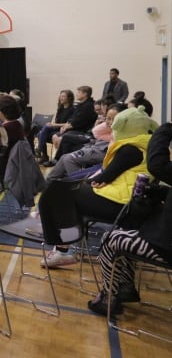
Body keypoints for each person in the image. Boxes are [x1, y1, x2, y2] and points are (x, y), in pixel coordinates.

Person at [42, 106, 158, 268]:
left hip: (122, 204)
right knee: (68, 192)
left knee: (60, 194)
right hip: (130, 201)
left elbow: (104, 177)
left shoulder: (130, 149)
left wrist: (84, 183)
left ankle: (63, 250)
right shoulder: (146, 144)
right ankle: (65, 244)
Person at [86, 118, 172, 316]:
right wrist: (158, 192)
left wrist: (166, 129)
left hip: (166, 245)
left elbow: (157, 165)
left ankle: (108, 297)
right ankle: (125, 287)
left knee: (110, 240)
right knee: (127, 230)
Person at [36, 90, 75, 163]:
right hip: (56, 129)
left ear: (69, 98)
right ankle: (44, 155)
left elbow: (68, 124)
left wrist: (54, 124)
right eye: (60, 96)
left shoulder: (72, 109)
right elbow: (57, 122)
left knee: (44, 131)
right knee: (40, 133)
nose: (61, 98)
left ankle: (40, 150)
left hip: (64, 130)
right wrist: (52, 124)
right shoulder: (60, 108)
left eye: (63, 96)